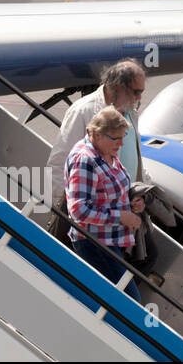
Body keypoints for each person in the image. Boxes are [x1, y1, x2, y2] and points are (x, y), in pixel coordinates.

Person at [45, 59, 147, 239]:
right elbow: (58, 165)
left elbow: (133, 159)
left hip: (123, 213)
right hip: (93, 222)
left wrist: (141, 193)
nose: (139, 97)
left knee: (148, 257)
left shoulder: (130, 112)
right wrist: (72, 214)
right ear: (118, 87)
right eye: (136, 91)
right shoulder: (84, 111)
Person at [66, 105, 145, 303]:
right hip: (94, 243)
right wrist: (121, 216)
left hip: (111, 241)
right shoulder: (85, 160)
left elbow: (111, 191)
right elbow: (78, 209)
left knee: (123, 301)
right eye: (116, 138)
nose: (121, 143)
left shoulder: (106, 152)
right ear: (97, 134)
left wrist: (133, 202)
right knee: (130, 303)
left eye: (123, 137)